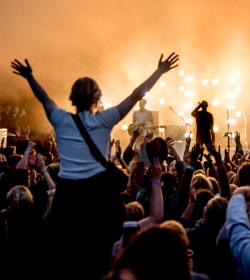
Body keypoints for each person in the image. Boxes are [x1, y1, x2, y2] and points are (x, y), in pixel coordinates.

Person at [11, 52, 179, 279]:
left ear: (72, 99)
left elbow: (45, 99)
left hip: (67, 198)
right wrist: (159, 71)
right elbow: (135, 94)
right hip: (100, 200)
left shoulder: (61, 119)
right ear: (97, 99)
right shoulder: (104, 119)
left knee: (62, 255)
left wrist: (29, 77)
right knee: (105, 254)